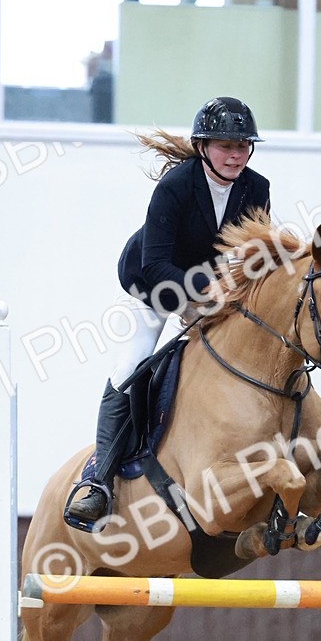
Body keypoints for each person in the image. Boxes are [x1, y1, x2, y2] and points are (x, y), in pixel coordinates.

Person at [64, 95, 271, 530]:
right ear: (202, 148)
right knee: (131, 366)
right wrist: (206, 292)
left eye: (242, 146)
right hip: (153, 284)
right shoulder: (175, 186)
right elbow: (156, 264)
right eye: (224, 146)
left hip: (214, 288)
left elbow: (254, 257)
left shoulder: (257, 188)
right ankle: (99, 480)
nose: (236, 155)